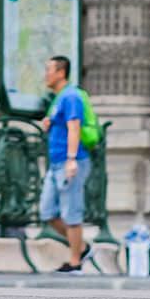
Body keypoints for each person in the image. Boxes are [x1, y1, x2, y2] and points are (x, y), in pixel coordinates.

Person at [38, 55, 89, 274]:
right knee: (47, 212)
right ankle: (83, 248)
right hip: (56, 162)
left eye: (49, 70)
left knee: (71, 213)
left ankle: (75, 261)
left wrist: (71, 159)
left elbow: (75, 127)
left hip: (70, 161)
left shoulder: (71, 97)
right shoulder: (58, 98)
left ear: (61, 72)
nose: (45, 75)